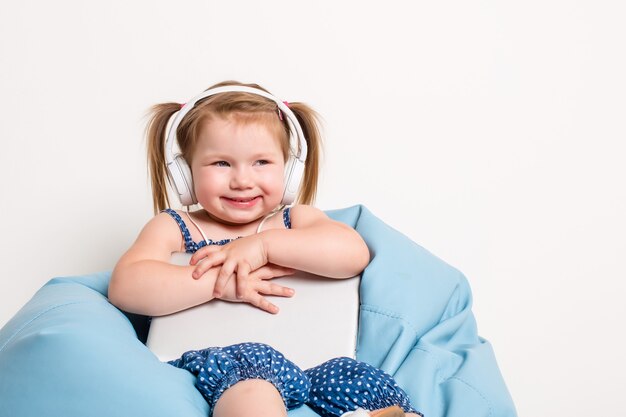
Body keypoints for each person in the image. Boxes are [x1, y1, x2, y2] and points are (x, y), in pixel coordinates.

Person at [108, 81, 422, 417]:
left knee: (368, 385)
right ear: (185, 174)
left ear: (288, 172)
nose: (242, 180)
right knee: (255, 386)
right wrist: (220, 282)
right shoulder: (176, 227)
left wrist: (263, 247)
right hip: (234, 370)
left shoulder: (293, 221)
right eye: (221, 164)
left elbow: (353, 254)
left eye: (261, 162)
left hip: (310, 367)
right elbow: (126, 286)